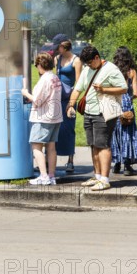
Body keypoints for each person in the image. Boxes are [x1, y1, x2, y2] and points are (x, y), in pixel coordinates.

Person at [67, 45, 127, 191]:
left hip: (103, 113)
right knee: (94, 145)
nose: (88, 65)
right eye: (86, 63)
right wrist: (70, 105)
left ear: (97, 57)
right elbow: (77, 89)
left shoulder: (111, 69)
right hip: (89, 112)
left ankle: (105, 180)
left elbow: (124, 88)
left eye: (90, 62)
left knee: (103, 146)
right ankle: (98, 177)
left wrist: (104, 89)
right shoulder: (87, 69)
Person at [22, 53, 62, 185]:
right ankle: (51, 176)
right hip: (55, 117)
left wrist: (25, 93)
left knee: (36, 146)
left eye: (37, 65)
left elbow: (38, 100)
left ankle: (43, 176)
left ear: (40, 65)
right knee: (51, 147)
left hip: (43, 118)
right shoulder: (55, 77)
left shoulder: (44, 79)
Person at [111, 47, 137, 175]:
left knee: (116, 133)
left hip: (115, 104)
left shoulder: (113, 71)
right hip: (127, 104)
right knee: (128, 134)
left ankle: (117, 164)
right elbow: (135, 93)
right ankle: (127, 165)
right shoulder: (132, 72)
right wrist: (130, 97)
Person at [53, 37, 82, 173]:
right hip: (57, 98)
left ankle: (70, 160)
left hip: (69, 99)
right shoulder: (57, 59)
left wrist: (72, 102)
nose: (56, 49)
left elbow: (78, 82)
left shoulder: (76, 60)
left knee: (69, 128)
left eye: (57, 47)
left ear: (63, 47)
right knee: (54, 127)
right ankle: (51, 158)